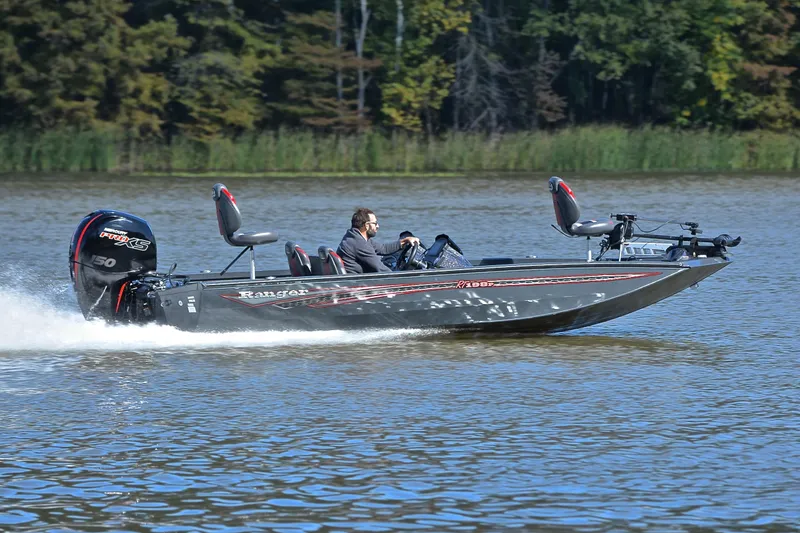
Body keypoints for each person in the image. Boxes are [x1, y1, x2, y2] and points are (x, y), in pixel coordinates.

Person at [337, 208, 420, 273]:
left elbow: (383, 249)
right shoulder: (359, 244)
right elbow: (380, 268)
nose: (378, 226)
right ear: (366, 225)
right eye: (375, 223)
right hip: (355, 285)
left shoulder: (355, 237)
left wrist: (404, 241)